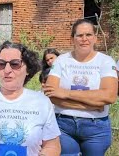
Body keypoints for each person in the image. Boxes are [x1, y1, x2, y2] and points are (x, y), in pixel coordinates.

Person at [0, 41, 61, 156]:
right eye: (1, 64)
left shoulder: (42, 102)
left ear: (28, 69)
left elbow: (52, 144)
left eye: (15, 64)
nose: (7, 70)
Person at [44, 19, 118, 156]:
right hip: (63, 126)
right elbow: (52, 94)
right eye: (79, 35)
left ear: (95, 38)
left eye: (89, 35)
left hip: (96, 128)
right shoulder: (61, 60)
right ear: (72, 38)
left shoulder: (106, 61)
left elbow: (109, 96)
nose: (84, 39)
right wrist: (93, 104)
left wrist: (64, 93)